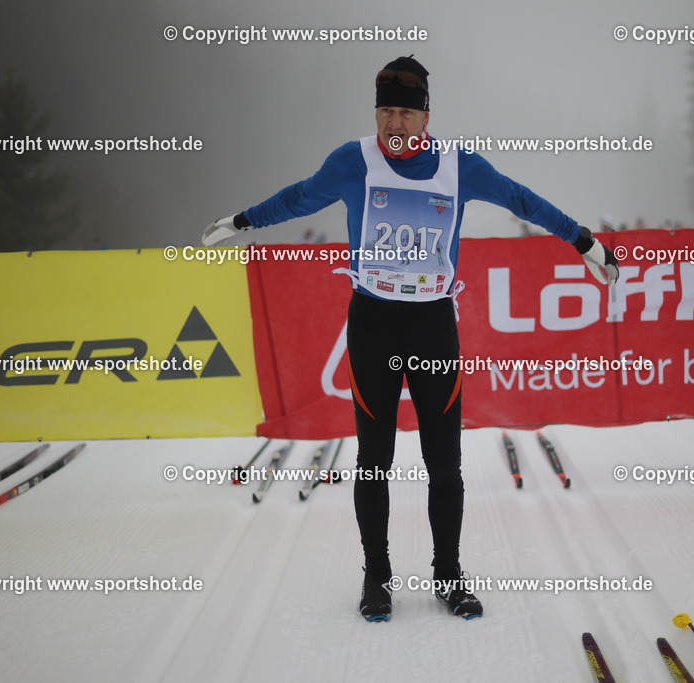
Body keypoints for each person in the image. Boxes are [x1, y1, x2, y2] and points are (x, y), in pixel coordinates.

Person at [202, 55, 619, 622]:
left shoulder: (459, 167)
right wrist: (244, 221)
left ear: (426, 118)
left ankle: (448, 575)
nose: (393, 124)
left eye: (404, 113)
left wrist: (583, 241)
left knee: (443, 462)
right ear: (375, 115)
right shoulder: (354, 161)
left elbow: (522, 199)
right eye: (385, 112)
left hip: (431, 328)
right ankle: (378, 579)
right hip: (373, 323)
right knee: (374, 461)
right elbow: (300, 196)